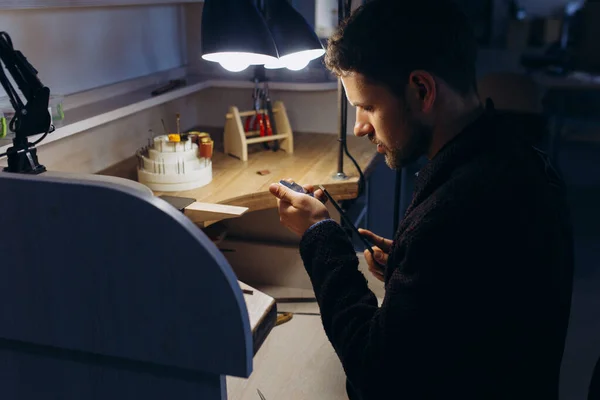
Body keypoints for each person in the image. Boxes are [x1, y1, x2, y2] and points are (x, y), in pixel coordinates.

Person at [268, 0, 574, 399]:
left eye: (368, 106)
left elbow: (377, 374)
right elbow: (476, 295)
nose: (359, 127)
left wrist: (320, 236)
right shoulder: (515, 160)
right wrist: (410, 264)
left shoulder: (459, 208)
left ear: (421, 89)